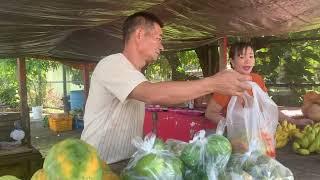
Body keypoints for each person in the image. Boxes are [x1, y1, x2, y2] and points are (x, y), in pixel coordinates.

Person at [81, 11, 252, 164]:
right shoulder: (112, 64)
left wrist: (193, 93)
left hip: (122, 162)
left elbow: (158, 94)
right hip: (93, 164)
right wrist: (213, 83)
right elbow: (151, 94)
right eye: (159, 38)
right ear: (139, 34)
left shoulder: (135, 75)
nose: (161, 46)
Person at [205, 42, 314, 126]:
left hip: (259, 133)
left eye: (251, 57)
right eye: (242, 57)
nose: (247, 61)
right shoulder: (226, 83)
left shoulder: (257, 79)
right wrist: (234, 126)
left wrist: (293, 121)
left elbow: (269, 107)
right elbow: (210, 113)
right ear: (232, 61)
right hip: (235, 139)